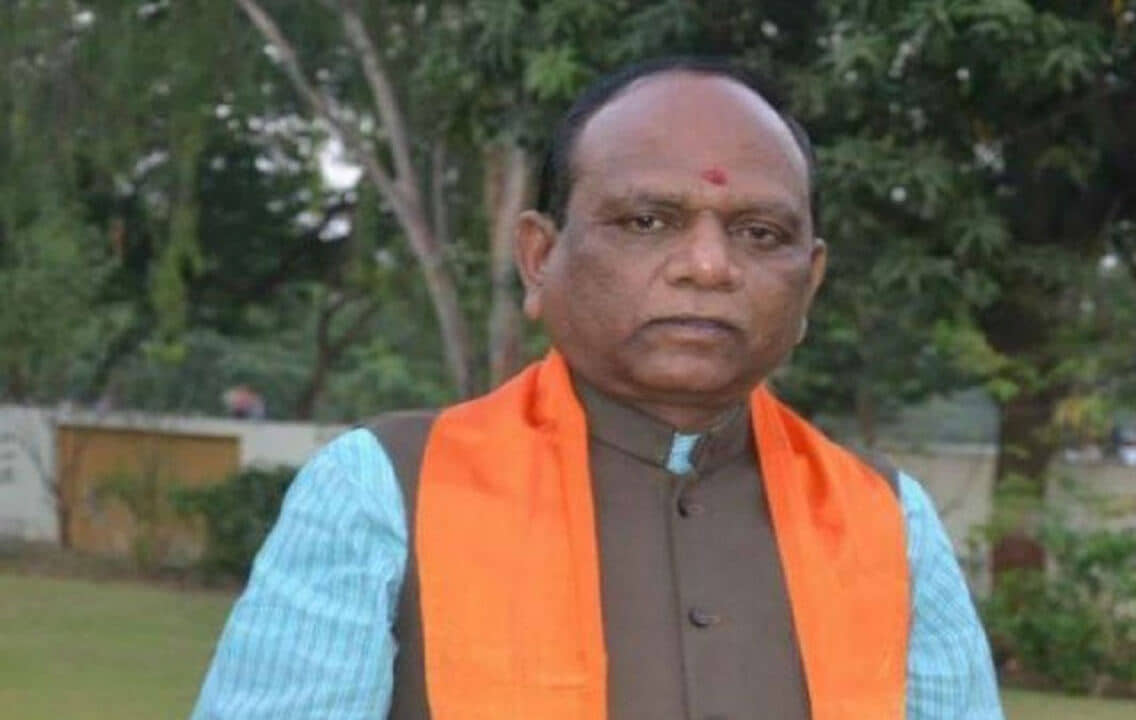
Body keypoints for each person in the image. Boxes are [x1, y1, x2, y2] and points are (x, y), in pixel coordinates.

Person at [191, 56, 1003, 720]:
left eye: (760, 233)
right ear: (540, 258)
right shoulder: (385, 489)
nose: (709, 266)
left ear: (809, 282)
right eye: (648, 221)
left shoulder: (883, 521)